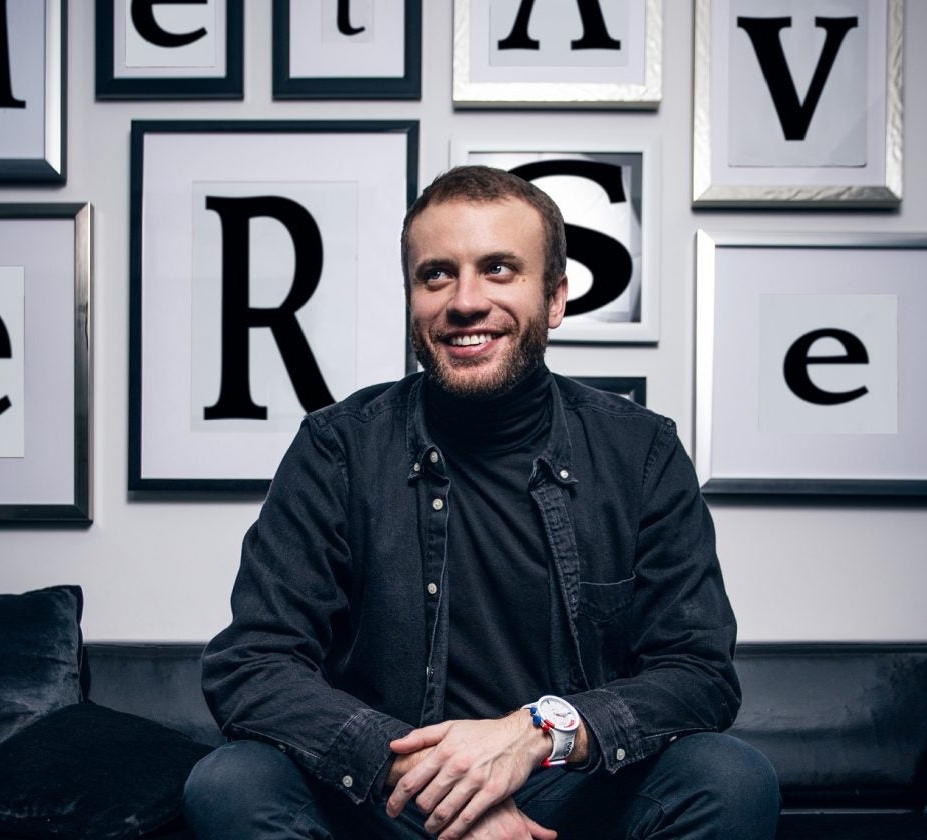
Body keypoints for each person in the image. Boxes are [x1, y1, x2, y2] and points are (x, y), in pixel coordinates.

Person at [183, 165, 780, 839]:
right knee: (231, 783)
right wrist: (438, 781)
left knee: (730, 778)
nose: (465, 301)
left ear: (554, 299)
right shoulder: (336, 450)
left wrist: (534, 733)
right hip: (391, 797)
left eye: (498, 269)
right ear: (412, 298)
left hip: (566, 797)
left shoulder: (641, 452)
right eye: (436, 275)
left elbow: (698, 673)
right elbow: (253, 665)